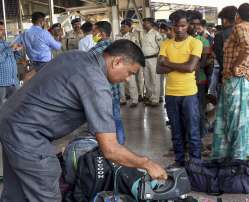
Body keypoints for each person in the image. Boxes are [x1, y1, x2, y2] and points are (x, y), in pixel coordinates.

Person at [0, 39, 167, 201]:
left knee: (16, 189)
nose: (128, 79)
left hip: (9, 120)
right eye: (130, 72)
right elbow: (110, 149)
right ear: (117, 62)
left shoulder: (75, 56)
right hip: (27, 133)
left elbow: (31, 76)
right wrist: (146, 163)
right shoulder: (97, 84)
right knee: (46, 183)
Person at [211, 3, 249, 160]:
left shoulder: (240, 27)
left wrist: (236, 66)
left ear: (238, 15)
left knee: (235, 120)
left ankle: (236, 157)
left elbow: (248, 47)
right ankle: (236, 154)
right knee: (237, 119)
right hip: (240, 79)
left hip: (237, 80)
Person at [157, 9, 203, 167]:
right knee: (176, 131)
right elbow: (158, 69)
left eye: (183, 25)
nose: (179, 29)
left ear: (188, 25)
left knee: (192, 131)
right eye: (176, 26)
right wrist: (180, 66)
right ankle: (179, 161)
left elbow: (190, 67)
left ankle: (196, 163)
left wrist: (167, 63)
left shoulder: (195, 43)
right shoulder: (166, 44)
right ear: (172, 26)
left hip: (189, 93)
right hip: (170, 93)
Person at [89, 21, 126, 145]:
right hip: (114, 93)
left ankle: (106, 150)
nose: (92, 34)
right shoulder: (117, 48)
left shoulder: (94, 52)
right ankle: (120, 145)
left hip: (100, 95)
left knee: (102, 125)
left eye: (94, 32)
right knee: (117, 120)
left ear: (102, 34)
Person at [188, 10, 211, 138]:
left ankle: (200, 136)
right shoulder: (180, 40)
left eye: (197, 24)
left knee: (199, 109)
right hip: (185, 81)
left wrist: (190, 68)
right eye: (192, 23)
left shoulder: (203, 41)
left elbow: (203, 62)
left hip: (199, 80)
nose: (195, 27)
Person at [117, 19, 142, 107]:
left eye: (124, 26)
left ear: (129, 27)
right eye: (121, 26)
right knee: (120, 83)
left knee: (131, 82)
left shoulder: (133, 36)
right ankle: (122, 99)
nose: (122, 28)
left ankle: (134, 100)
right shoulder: (117, 36)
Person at [141, 17, 163, 106]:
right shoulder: (144, 34)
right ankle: (150, 97)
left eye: (145, 23)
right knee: (147, 79)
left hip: (154, 59)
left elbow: (162, 47)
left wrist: (160, 61)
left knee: (155, 79)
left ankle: (155, 99)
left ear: (151, 24)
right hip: (145, 59)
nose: (143, 24)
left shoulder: (156, 34)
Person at [0, 21, 21, 106]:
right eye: (0, 29)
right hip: (2, 84)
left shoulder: (6, 43)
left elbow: (15, 59)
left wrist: (17, 51)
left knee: (15, 107)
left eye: (3, 29)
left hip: (13, 82)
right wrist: (10, 50)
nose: (3, 31)